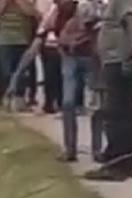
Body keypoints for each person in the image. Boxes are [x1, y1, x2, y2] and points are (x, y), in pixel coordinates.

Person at [84, 0, 132, 180]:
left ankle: (118, 164)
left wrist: (128, 57)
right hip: (114, 60)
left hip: (119, 61)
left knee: (117, 113)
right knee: (123, 112)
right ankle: (125, 162)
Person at [56, 0, 99, 161]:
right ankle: (70, 149)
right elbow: (61, 41)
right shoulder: (71, 22)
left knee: (96, 106)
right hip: (72, 59)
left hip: (90, 60)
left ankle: (97, 149)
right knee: (68, 103)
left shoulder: (96, 25)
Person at [0, 0, 41, 110]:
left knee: (21, 72)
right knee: (6, 71)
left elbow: (34, 14)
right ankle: (8, 96)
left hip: (22, 39)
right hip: (5, 40)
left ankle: (19, 98)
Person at [35, 0, 63, 113]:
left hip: (53, 45)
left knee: (52, 76)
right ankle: (53, 102)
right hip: (52, 45)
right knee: (55, 76)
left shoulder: (55, 8)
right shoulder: (54, 8)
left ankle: (52, 103)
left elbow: (45, 25)